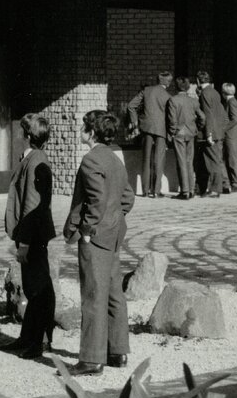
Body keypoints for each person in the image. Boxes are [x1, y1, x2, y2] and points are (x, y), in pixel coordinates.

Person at [62, 110, 135, 376]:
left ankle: (92, 359)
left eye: (84, 126)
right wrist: (115, 219)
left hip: (96, 236)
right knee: (114, 293)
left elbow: (96, 200)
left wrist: (88, 230)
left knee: (93, 294)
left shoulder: (91, 159)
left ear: (92, 132)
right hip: (114, 234)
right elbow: (127, 197)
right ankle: (118, 352)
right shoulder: (115, 159)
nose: (80, 129)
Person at [3, 112, 56, 360]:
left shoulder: (35, 161)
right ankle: (28, 337)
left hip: (32, 235)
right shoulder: (32, 158)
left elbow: (32, 206)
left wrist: (24, 243)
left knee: (38, 289)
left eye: (20, 131)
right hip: (30, 233)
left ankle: (40, 341)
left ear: (26, 135)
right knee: (33, 286)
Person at [126, 70, 174, 198]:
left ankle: (145, 190)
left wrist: (135, 123)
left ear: (157, 80)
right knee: (159, 159)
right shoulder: (168, 96)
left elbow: (131, 106)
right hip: (161, 130)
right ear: (168, 83)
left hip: (146, 128)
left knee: (146, 159)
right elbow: (170, 117)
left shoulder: (146, 91)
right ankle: (156, 191)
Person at [166, 76, 202, 200]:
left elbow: (172, 120)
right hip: (191, 132)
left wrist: (171, 133)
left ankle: (185, 191)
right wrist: (197, 128)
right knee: (189, 162)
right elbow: (202, 117)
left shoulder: (173, 100)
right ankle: (191, 190)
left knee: (181, 161)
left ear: (176, 87)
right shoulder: (194, 101)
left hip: (179, 133)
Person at [195, 71, 227, 197]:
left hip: (211, 133)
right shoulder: (215, 92)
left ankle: (215, 189)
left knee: (212, 162)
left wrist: (208, 134)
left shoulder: (205, 94)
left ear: (198, 81)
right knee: (215, 160)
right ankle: (214, 188)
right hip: (218, 132)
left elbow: (208, 114)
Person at [221, 82, 237, 192]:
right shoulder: (229, 102)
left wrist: (223, 129)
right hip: (229, 135)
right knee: (227, 158)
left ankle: (235, 183)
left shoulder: (232, 102)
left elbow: (235, 119)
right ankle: (230, 182)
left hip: (231, 135)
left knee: (232, 159)